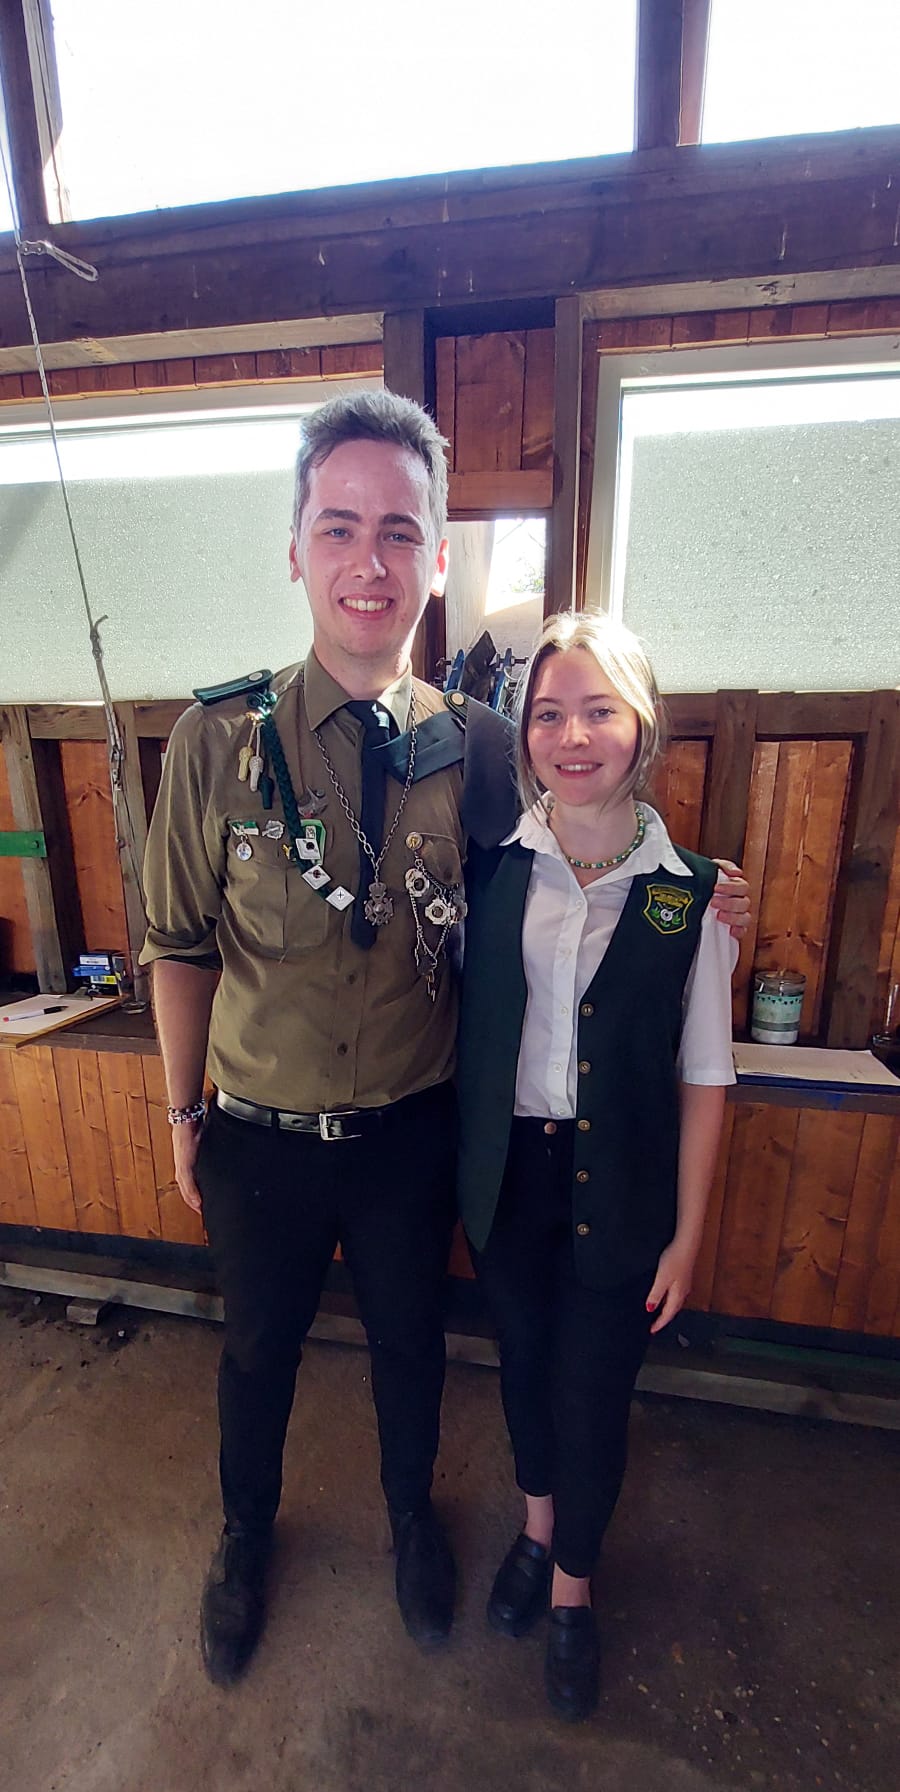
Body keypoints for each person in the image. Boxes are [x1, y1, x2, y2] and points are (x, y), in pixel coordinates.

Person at [140, 389, 749, 1688]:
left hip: (413, 1137)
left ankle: (414, 1520)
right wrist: (180, 1111)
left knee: (412, 1349)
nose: (369, 561)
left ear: (433, 558)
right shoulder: (216, 742)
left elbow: (571, 850)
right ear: (294, 547)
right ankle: (245, 1538)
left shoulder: (478, 747)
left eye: (400, 532)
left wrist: (701, 892)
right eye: (339, 527)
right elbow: (178, 946)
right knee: (255, 1353)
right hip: (258, 1133)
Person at [456, 611, 738, 1722]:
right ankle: (535, 1534)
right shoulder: (494, 872)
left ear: (641, 726)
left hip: (620, 1192)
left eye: (598, 712)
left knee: (593, 1395)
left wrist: (688, 1236)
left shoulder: (688, 894)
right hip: (510, 1181)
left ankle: (574, 1589)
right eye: (548, 714)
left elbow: (706, 1076)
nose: (572, 737)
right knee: (524, 1371)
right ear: (525, 733)